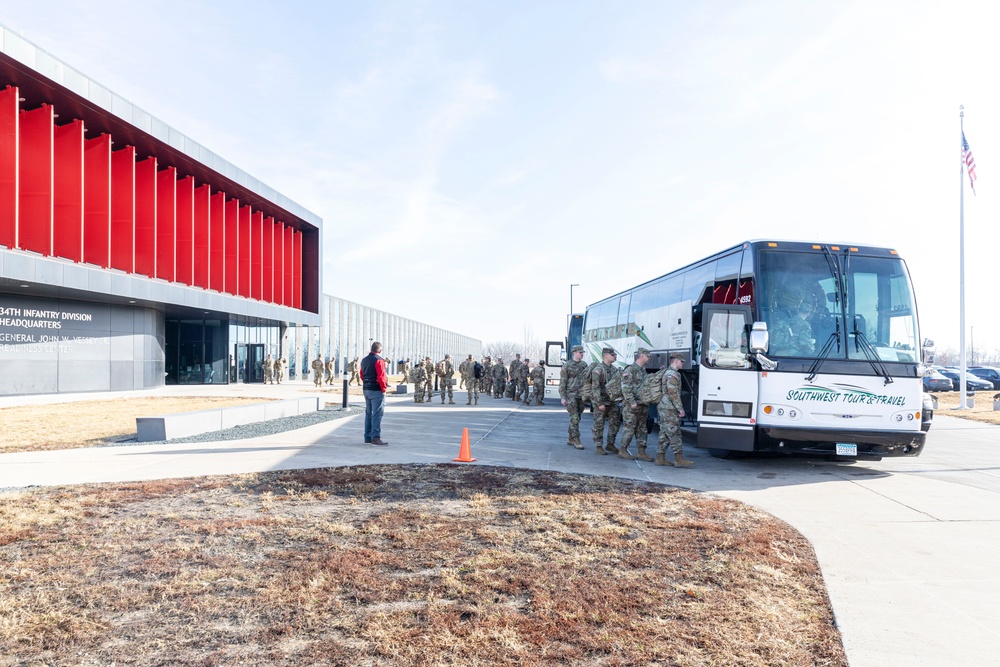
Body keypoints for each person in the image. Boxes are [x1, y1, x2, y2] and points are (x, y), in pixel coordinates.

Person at [656, 352, 694, 467]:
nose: (682, 363)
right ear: (676, 361)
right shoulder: (672, 374)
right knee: (675, 433)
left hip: (665, 406)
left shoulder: (669, 373)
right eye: (682, 361)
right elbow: (673, 393)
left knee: (665, 432)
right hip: (669, 407)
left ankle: (660, 458)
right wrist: (680, 408)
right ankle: (678, 459)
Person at [618, 347, 653, 461]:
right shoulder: (630, 369)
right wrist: (631, 402)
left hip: (642, 405)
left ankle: (641, 452)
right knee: (629, 428)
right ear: (642, 356)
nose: (649, 359)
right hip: (632, 406)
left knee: (642, 429)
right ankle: (623, 450)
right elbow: (625, 388)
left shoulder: (643, 371)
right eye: (648, 356)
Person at [591, 347, 623, 455]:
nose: (615, 356)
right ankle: (598, 446)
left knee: (615, 422)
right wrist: (599, 403)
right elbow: (595, 388)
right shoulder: (598, 370)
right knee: (599, 424)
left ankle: (610, 444)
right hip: (601, 402)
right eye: (612, 355)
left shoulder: (614, 370)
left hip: (613, 401)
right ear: (605, 356)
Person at [559, 345, 589, 449]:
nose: (582, 354)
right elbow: (562, 382)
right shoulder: (567, 365)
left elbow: (587, 380)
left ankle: (570, 437)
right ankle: (577, 440)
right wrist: (563, 397)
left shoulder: (584, 365)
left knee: (577, 418)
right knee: (575, 417)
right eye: (580, 352)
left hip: (581, 396)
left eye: (582, 352)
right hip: (571, 395)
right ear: (574, 352)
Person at [359, 341, 389, 446]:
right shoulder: (379, 361)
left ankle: (367, 437)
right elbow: (381, 377)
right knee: (377, 414)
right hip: (376, 390)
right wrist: (383, 388)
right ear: (380, 350)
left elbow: (361, 374)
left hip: (366, 389)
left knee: (369, 414)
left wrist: (367, 383)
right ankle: (376, 438)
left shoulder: (364, 360)